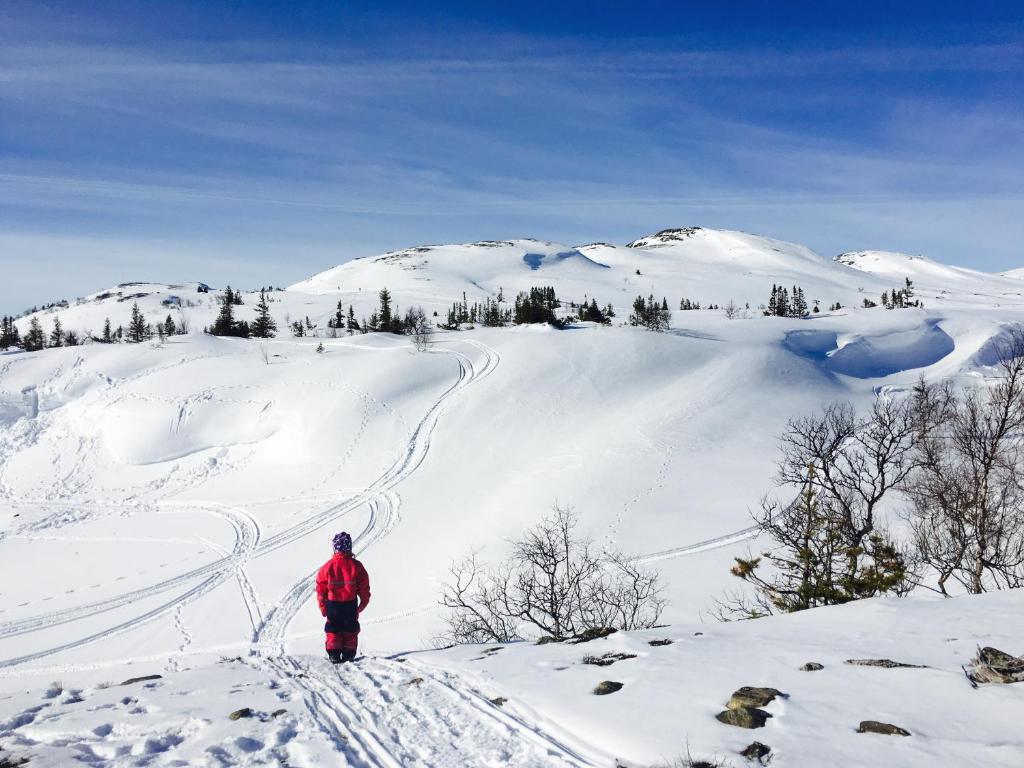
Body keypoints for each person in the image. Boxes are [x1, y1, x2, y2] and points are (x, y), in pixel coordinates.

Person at [315, 531, 371, 664]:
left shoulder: (327, 567)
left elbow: (320, 589)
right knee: (350, 629)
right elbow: (364, 587)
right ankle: (348, 655)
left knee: (334, 629)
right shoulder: (356, 566)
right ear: (349, 548)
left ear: (335, 548)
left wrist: (323, 607)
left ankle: (334, 654)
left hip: (333, 605)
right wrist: (362, 604)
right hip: (350, 604)